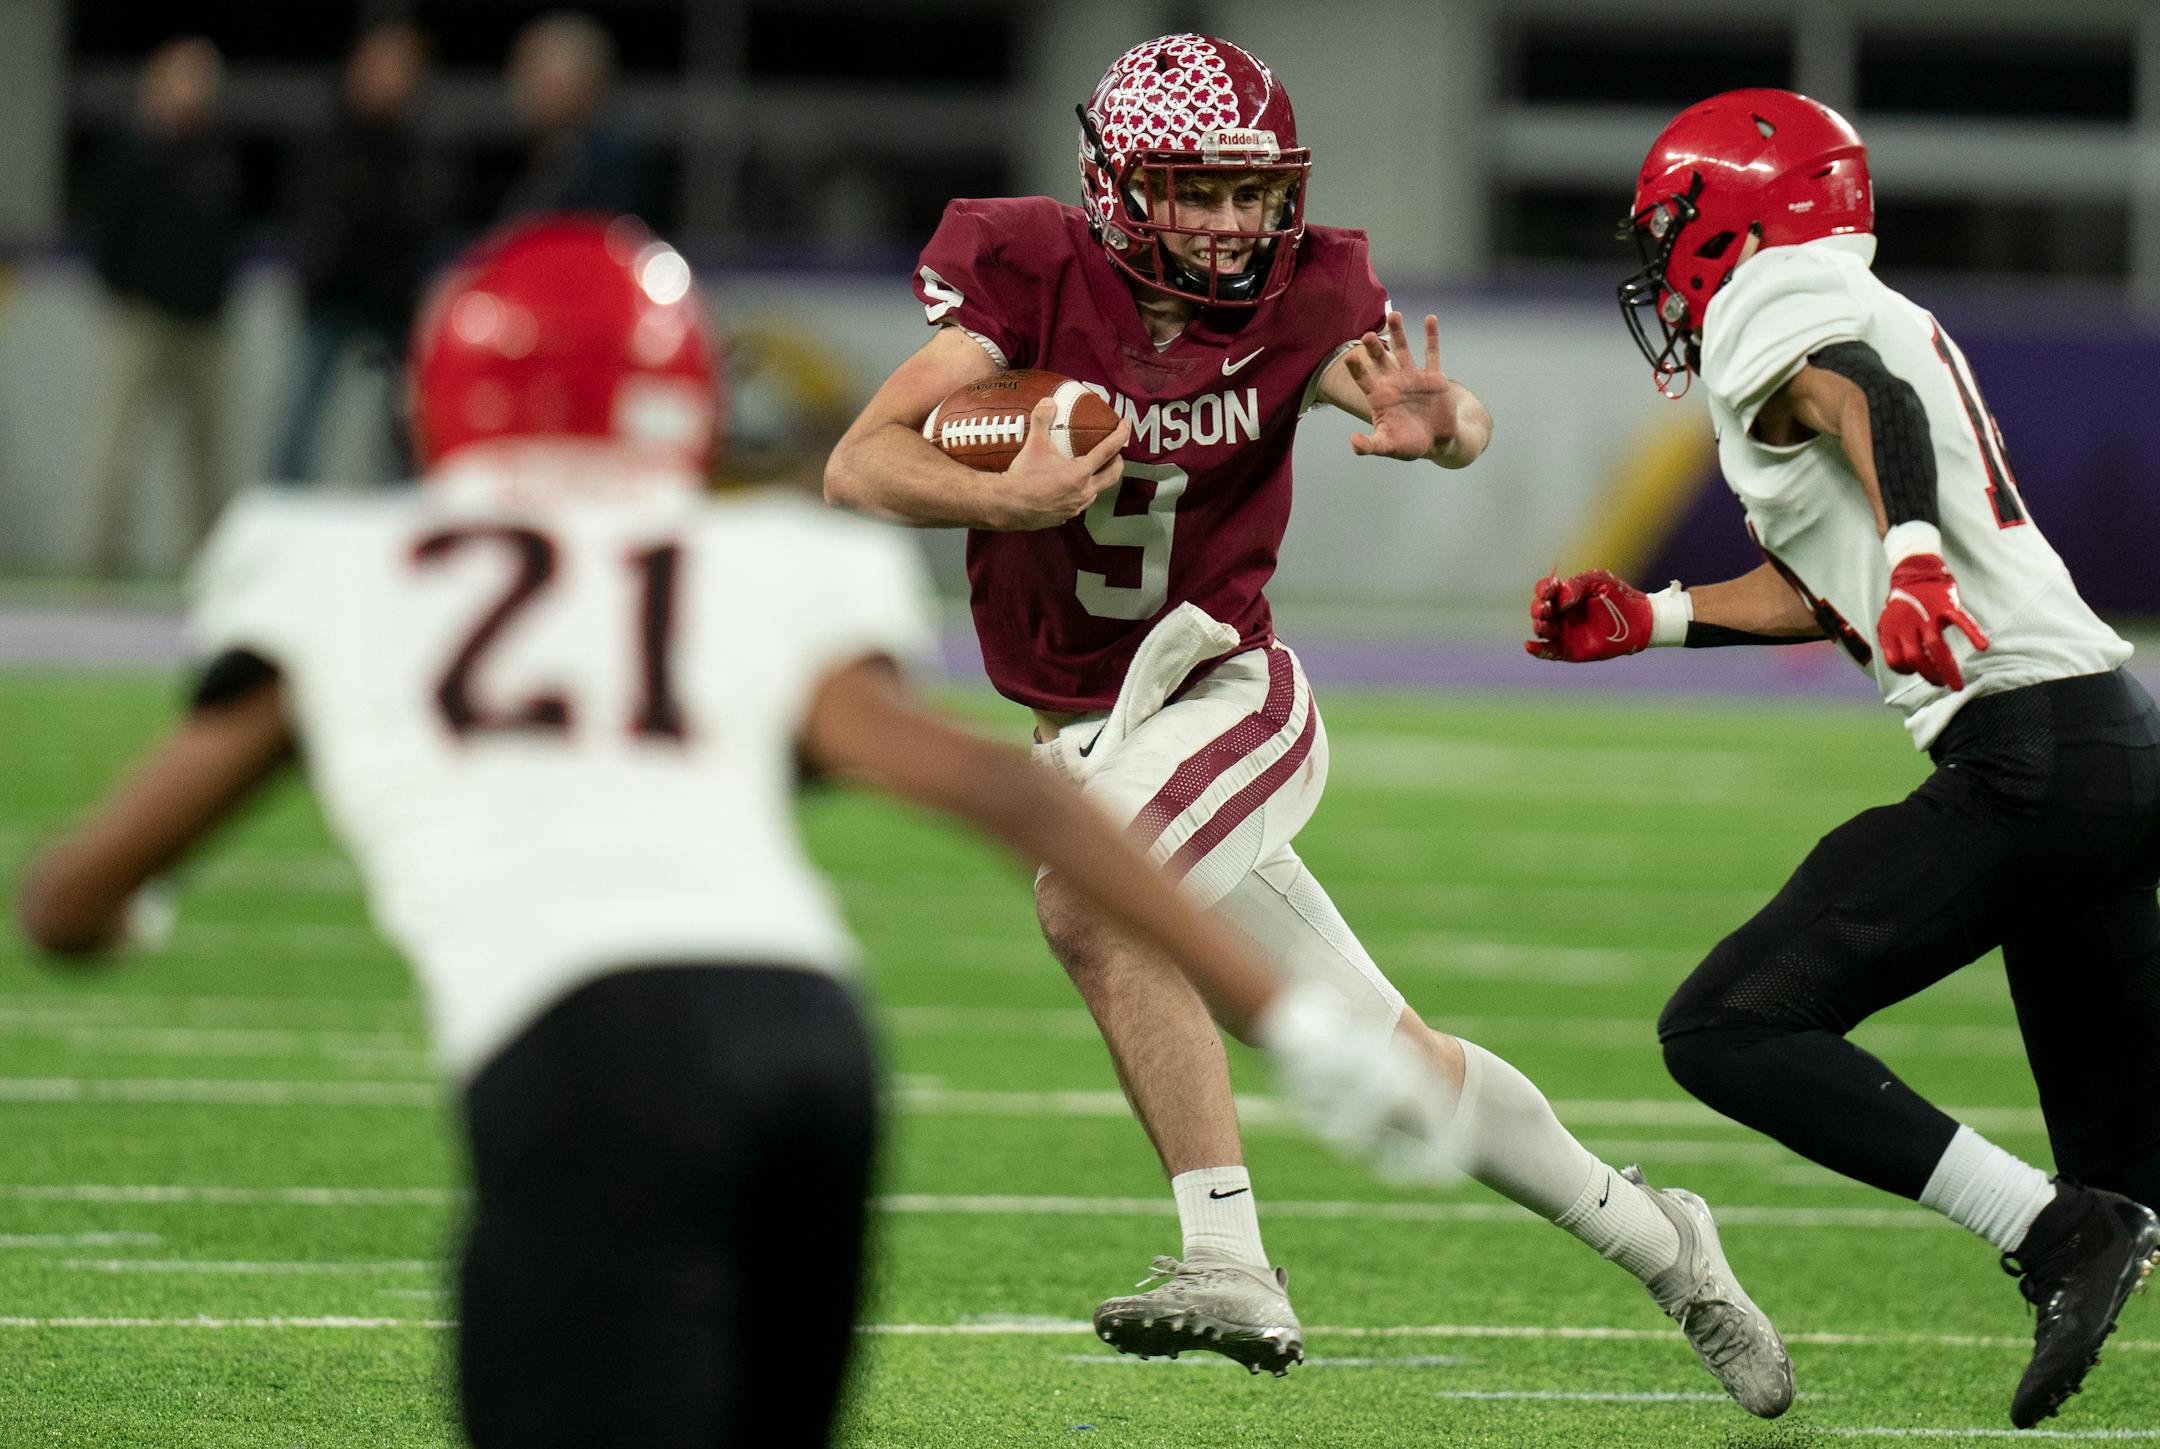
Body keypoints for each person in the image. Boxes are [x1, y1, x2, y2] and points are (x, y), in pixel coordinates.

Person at [18, 215, 1457, 1447]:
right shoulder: (755, 563)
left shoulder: (342, 567)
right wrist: (1306, 1031)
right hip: (812, 1053)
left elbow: (67, 901)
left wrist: (120, 907)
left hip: (582, 1060)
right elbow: (1004, 791)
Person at [825, 32, 1793, 1416]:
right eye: (1196, 192)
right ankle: (1667, 1242)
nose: (1231, 225)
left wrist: (1446, 424)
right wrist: (1007, 498)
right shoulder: (1023, 268)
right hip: (1084, 727)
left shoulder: (1311, 291)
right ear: (1116, 188)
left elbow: (1415, 404)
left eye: (1251, 193)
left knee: (1090, 896)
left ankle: (1229, 1257)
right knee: (1386, 1064)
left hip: (1223, 686)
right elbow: (858, 462)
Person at [1523, 88, 2160, 1430]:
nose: (1660, 269)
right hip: (2113, 743)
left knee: (1727, 1024)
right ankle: (2082, 1222)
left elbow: (1858, 408)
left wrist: (1922, 554)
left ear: (1728, 218)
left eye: (1668, 232)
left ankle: (2048, 1235)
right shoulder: (1856, 295)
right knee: (2139, 1170)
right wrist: (1658, 616)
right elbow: (1837, 573)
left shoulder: (1775, 297)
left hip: (2029, 756)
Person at [79, 36, 243, 575]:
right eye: (182, 76)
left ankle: (210, 563)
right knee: (117, 445)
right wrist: (126, 293)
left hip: (205, 324)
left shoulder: (217, 154)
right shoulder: (134, 151)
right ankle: (102, 560)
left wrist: (218, 294)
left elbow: (230, 235)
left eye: (202, 78)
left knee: (207, 455)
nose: (194, 90)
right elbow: (106, 233)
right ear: (158, 83)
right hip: (143, 318)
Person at [272, 22, 442, 484]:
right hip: (332, 297)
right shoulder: (330, 135)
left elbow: (424, 219)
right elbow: (308, 212)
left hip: (389, 306)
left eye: (404, 69)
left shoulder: (414, 145)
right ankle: (285, 515)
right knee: (301, 423)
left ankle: (401, 522)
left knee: (401, 426)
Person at [496, 13, 660, 224]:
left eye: (551, 82)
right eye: (524, 74)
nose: (530, 91)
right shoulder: (505, 162)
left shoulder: (614, 174)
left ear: (591, 84)